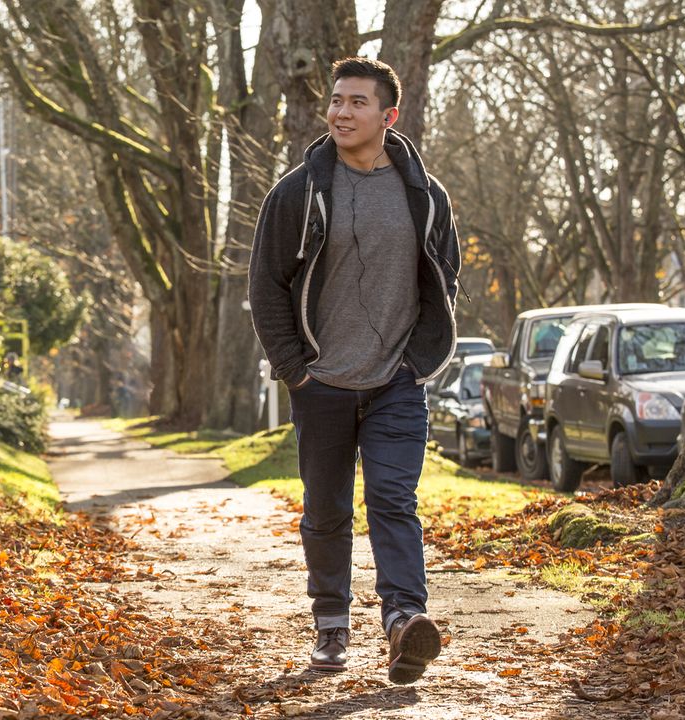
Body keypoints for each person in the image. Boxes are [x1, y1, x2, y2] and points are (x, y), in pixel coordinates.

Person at [247, 57, 461, 684]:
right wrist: (295, 369)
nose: (341, 112)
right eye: (336, 101)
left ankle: (404, 622)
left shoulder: (425, 194)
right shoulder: (298, 191)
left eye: (356, 103)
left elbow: (442, 278)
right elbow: (266, 284)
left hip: (397, 378)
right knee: (327, 507)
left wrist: (420, 359)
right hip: (323, 381)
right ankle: (332, 626)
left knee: (394, 498)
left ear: (388, 115)